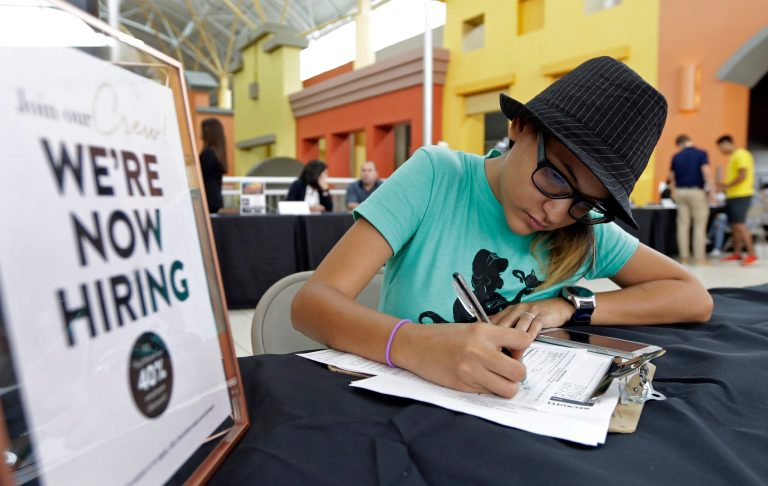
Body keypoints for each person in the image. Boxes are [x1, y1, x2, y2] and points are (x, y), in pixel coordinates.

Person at [292, 57, 713, 399]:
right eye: (555, 178)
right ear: (520, 128)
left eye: (585, 202)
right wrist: (413, 344)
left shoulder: (582, 229)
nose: (556, 212)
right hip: (404, 405)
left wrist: (570, 306)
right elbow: (311, 304)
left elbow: (693, 297)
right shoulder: (437, 178)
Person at [667, 135, 714, 265]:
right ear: (689, 140)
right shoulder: (701, 154)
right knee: (699, 225)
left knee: (682, 225)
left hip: (680, 192)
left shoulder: (676, 156)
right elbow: (706, 173)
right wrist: (712, 192)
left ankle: (684, 258)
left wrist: (672, 192)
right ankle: (699, 258)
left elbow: (671, 177)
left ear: (680, 143)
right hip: (696, 192)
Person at [716, 135, 757, 266]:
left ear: (727, 143)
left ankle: (751, 254)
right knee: (734, 226)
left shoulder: (741, 154)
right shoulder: (734, 156)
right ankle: (737, 253)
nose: (720, 150)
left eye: (720, 147)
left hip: (741, 194)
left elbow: (742, 175)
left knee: (740, 224)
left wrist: (726, 185)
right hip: (733, 195)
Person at [199, 118, 227, 214]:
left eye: (202, 130)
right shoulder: (218, 153)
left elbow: (200, 175)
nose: (201, 135)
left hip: (207, 199)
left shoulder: (208, 153)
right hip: (215, 199)